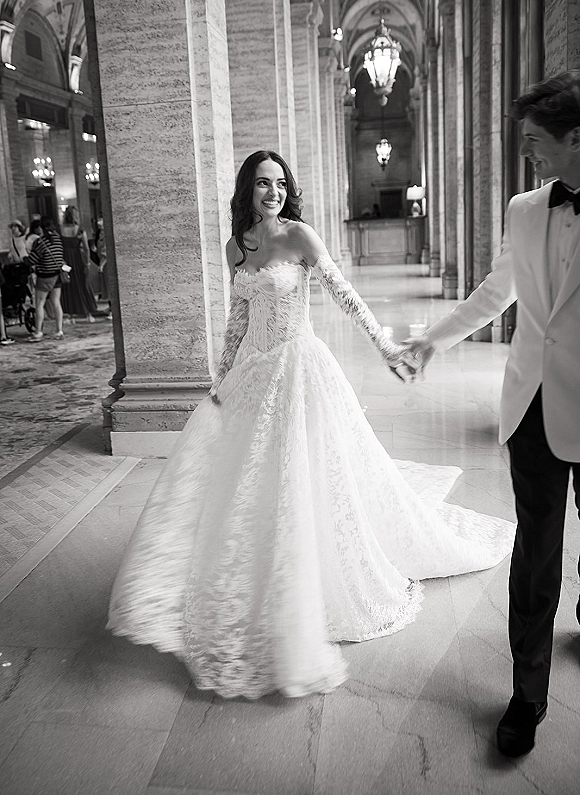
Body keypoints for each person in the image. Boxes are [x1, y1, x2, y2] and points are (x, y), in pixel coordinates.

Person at [107, 150, 514, 700]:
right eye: (261, 184)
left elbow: (346, 298)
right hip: (255, 373)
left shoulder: (301, 237)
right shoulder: (237, 247)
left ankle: (312, 574)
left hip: (301, 368)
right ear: (246, 192)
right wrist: (222, 376)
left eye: (279, 184)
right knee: (255, 482)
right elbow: (239, 319)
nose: (271, 192)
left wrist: (387, 347)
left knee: (310, 474)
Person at [407, 70, 580, 758]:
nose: (529, 154)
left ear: (575, 138)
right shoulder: (524, 208)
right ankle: (527, 694)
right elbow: (493, 293)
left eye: (537, 141)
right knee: (535, 552)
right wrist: (430, 341)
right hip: (534, 402)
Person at [26, 213, 65, 341]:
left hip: (45, 276)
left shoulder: (40, 242)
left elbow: (33, 259)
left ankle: (38, 332)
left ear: (41, 228)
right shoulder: (58, 239)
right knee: (56, 303)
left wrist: (25, 259)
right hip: (57, 275)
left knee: (40, 303)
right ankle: (59, 330)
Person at [60, 205, 97, 323]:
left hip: (65, 260)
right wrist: (87, 263)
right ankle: (88, 313)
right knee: (82, 285)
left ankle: (70, 316)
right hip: (78, 259)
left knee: (68, 286)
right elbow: (86, 248)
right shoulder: (80, 230)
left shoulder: (60, 229)